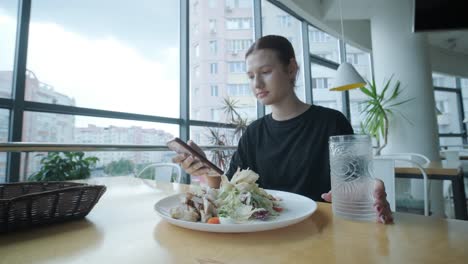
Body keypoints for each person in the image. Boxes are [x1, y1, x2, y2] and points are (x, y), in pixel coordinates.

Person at [173, 35, 393, 224]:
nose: (256, 84)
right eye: (250, 76)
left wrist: (369, 191)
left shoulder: (332, 122)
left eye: (265, 72)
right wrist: (206, 169)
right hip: (266, 235)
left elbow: (356, 185)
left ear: (291, 69)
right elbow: (230, 190)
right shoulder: (254, 133)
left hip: (321, 229)